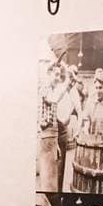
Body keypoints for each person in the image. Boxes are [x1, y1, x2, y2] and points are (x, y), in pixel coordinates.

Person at [37, 62, 72, 190]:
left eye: (59, 75)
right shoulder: (45, 88)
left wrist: (56, 143)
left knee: (52, 179)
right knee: (48, 181)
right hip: (46, 138)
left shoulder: (50, 88)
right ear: (49, 73)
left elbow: (53, 119)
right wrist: (67, 80)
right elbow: (54, 99)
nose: (58, 78)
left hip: (52, 138)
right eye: (56, 75)